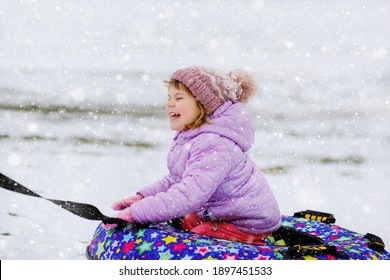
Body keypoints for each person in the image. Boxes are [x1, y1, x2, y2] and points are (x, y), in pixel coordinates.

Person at [107, 66, 281, 245]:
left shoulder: (215, 145)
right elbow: (176, 179)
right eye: (169, 98)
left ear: (203, 105)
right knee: (183, 222)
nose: (170, 103)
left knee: (196, 238)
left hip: (246, 221)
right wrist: (143, 198)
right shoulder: (193, 138)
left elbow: (189, 196)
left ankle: (252, 245)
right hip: (220, 210)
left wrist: (137, 213)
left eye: (179, 98)